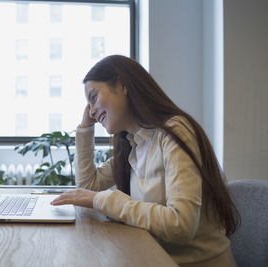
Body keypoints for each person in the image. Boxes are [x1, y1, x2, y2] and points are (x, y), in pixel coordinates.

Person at [51, 55, 239, 266]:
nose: (92, 111)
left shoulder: (175, 132)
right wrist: (85, 128)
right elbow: (87, 187)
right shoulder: (134, 144)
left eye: (94, 97)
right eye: (88, 106)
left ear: (122, 84)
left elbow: (181, 225)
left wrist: (104, 200)